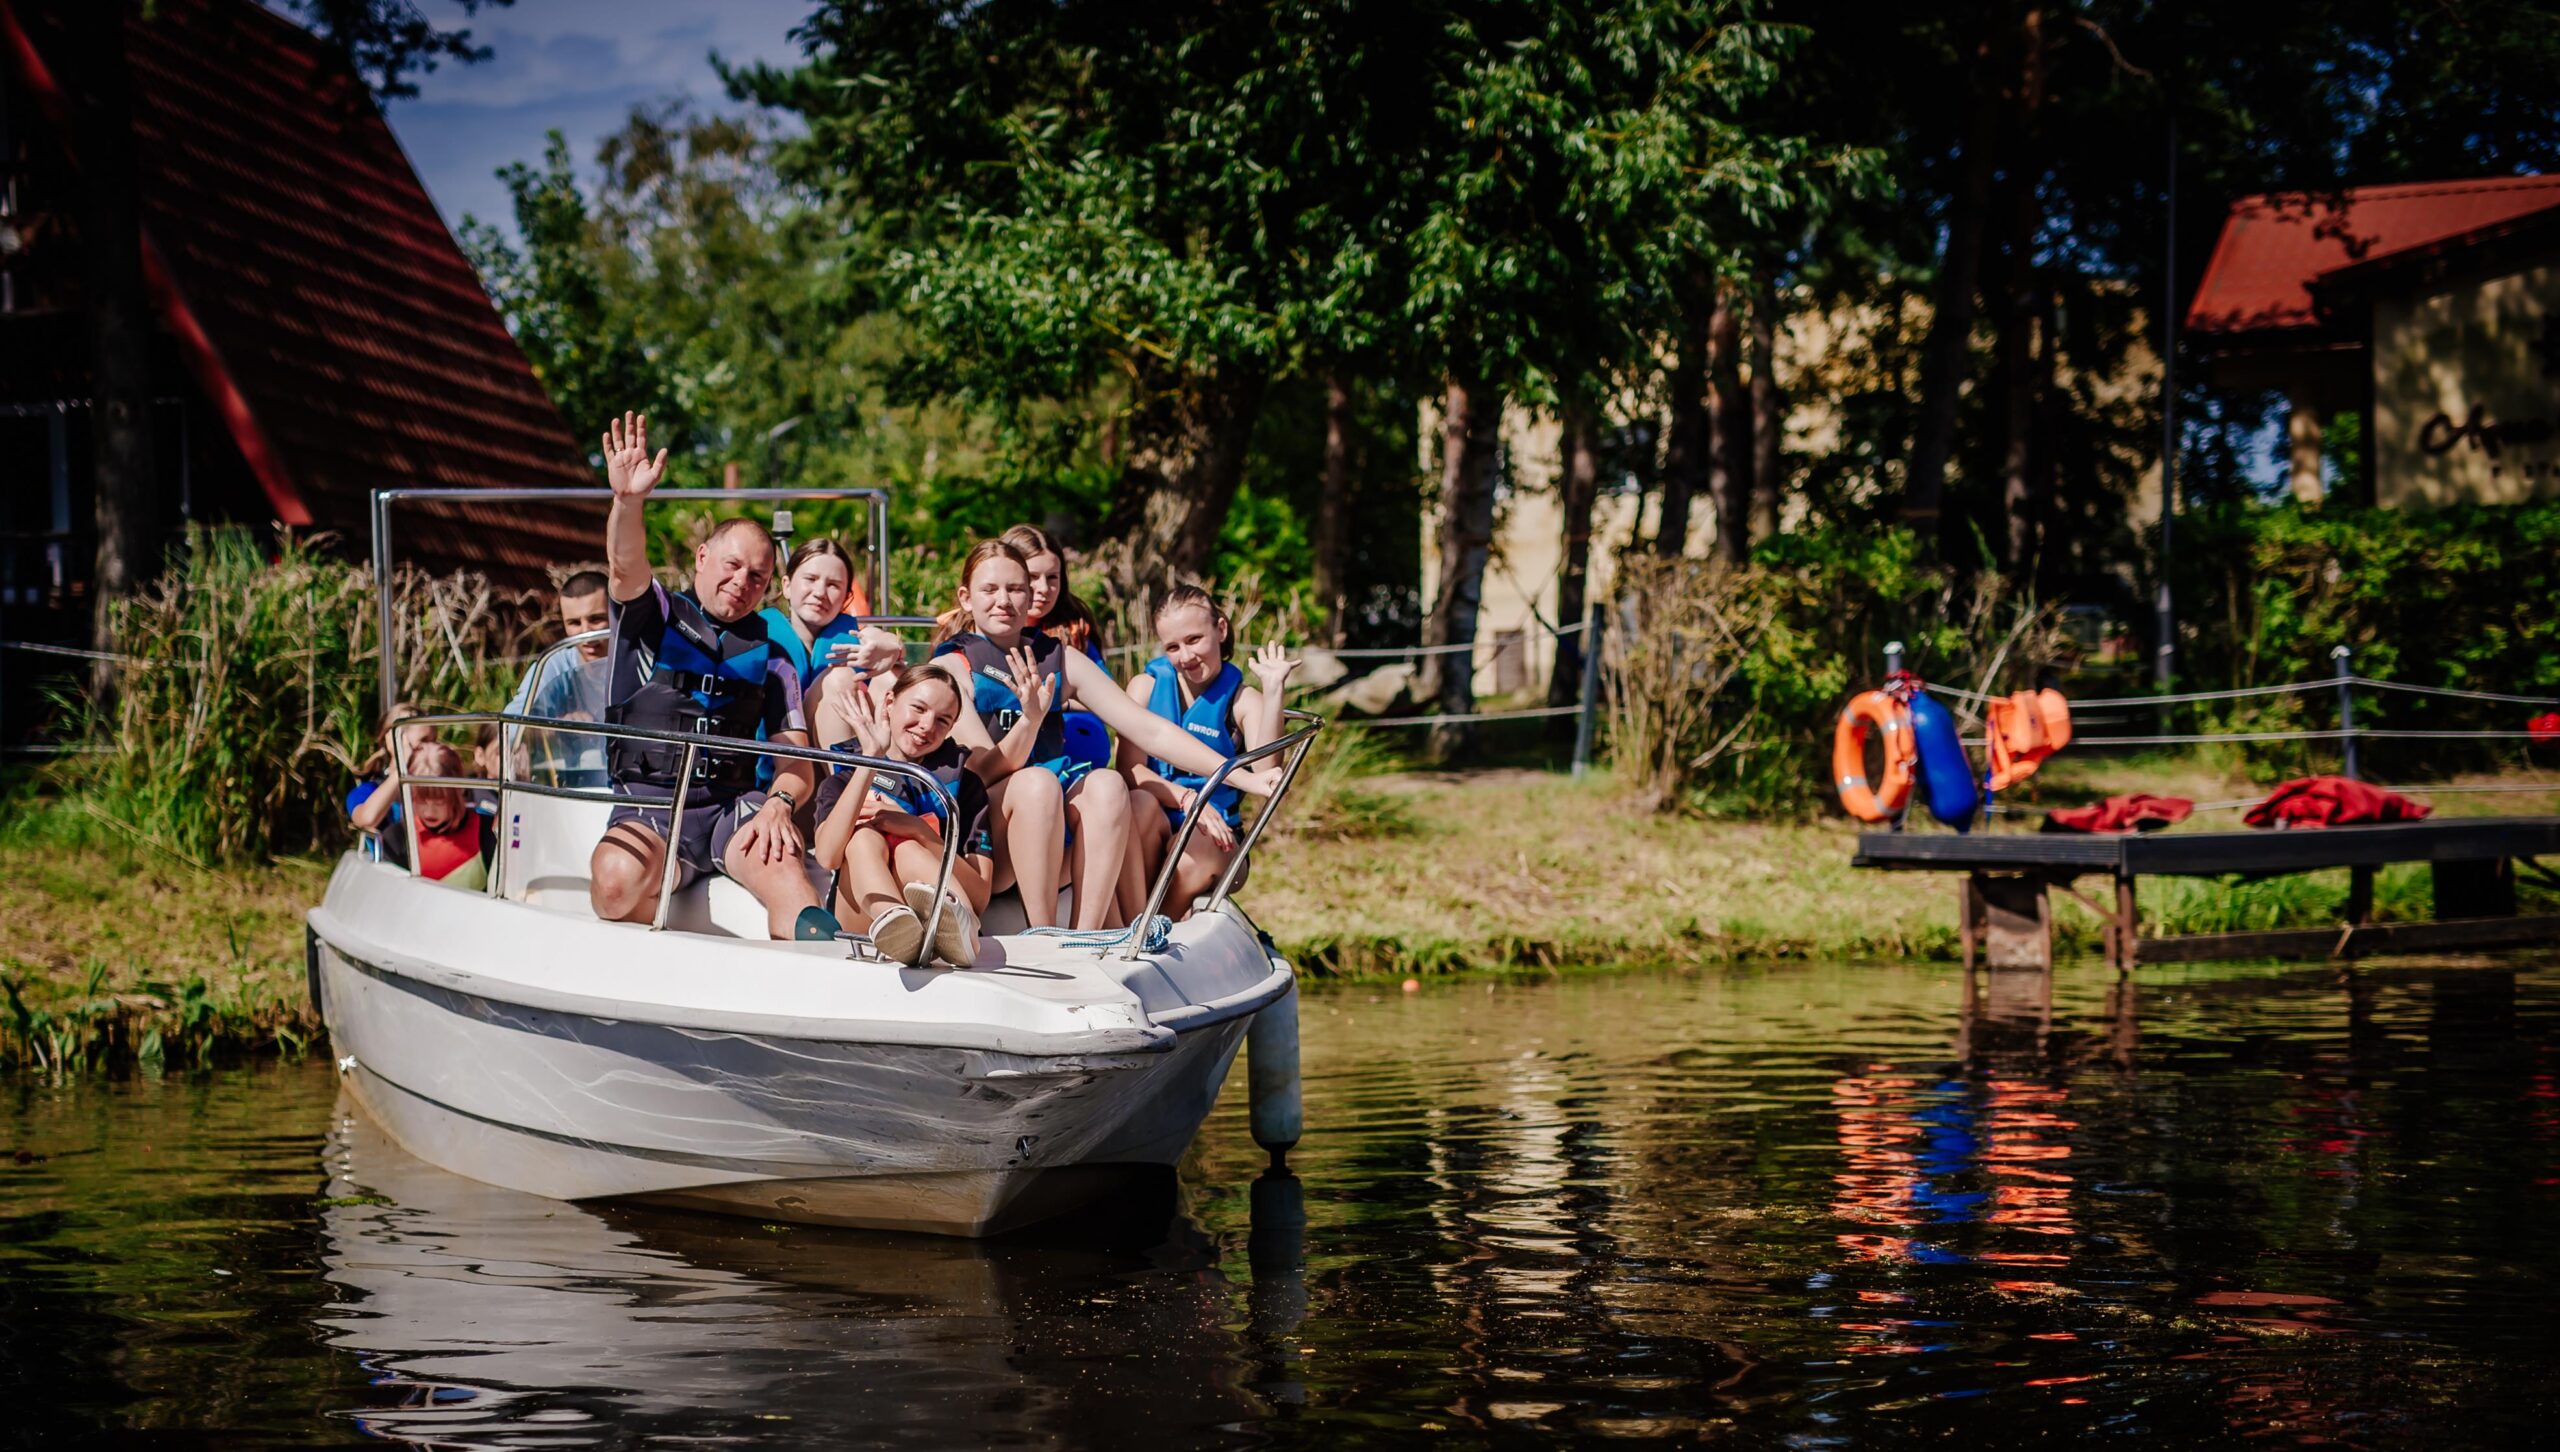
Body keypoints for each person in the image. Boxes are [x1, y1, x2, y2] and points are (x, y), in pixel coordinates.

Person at [927, 539, 1281, 930]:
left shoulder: (1059, 659)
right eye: (990, 590)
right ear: (966, 598)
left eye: (1015, 589)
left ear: (1031, 597)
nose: (1004, 601)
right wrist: (1029, 722)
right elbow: (980, 771)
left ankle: (1087, 935)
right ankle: (1043, 932)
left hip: (1054, 834)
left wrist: (1243, 777)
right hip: (988, 840)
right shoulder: (952, 669)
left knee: (1108, 784)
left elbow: (1149, 730)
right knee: (1038, 784)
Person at [586, 411, 838, 942]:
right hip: (650, 809)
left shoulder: (772, 655)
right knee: (613, 883)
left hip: (730, 812)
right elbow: (625, 566)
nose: (742, 581)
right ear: (702, 557)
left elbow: (797, 762)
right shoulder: (653, 617)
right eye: (732, 565)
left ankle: (809, 975)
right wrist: (627, 503)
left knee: (792, 882)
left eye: (758, 576)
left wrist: (779, 803)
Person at [809, 654, 1052, 966]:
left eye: (942, 721)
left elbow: (980, 895)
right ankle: (894, 922)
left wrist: (920, 831)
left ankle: (956, 929)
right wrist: (871, 758)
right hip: (863, 919)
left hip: (936, 899)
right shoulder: (845, 779)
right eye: (919, 708)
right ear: (889, 702)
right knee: (864, 838)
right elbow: (828, 856)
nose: (926, 726)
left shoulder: (965, 786)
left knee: (909, 849)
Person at [1121, 586, 1297, 917]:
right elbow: (1129, 772)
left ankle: (1160, 926)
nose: (1186, 656)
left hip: (1217, 839)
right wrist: (1188, 800)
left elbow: (1267, 774)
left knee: (1192, 847)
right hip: (1155, 825)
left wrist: (1274, 690)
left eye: (1194, 640)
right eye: (1173, 647)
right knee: (1138, 803)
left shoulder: (1243, 701)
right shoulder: (1145, 688)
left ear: (1221, 629)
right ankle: (1131, 922)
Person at [759, 537, 903, 789]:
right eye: (811, 579)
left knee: (890, 677)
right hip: (783, 774)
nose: (819, 593)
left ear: (846, 598)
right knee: (840, 677)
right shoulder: (758, 637)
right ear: (787, 585)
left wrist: (892, 646)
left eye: (833, 585)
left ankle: (886, 790)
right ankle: (856, 796)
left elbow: (877, 638)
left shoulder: (857, 641)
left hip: (830, 772)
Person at [999, 523, 1116, 776]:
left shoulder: (1073, 632)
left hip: (1081, 758)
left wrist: (1055, 702)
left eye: (1052, 577)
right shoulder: (979, 637)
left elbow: (1109, 698)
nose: (1044, 588)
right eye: (1032, 577)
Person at [505, 569, 614, 786]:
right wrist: (559, 726)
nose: (586, 633)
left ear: (616, 615)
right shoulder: (555, 664)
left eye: (596, 620)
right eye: (574, 623)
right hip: (576, 785)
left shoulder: (640, 661)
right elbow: (511, 724)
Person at [402, 741, 495, 890]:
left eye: (439, 800)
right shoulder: (400, 837)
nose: (429, 811)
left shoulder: (489, 831)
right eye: (421, 800)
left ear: (458, 791)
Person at [348, 701, 432, 861]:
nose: (431, 749)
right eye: (423, 742)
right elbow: (367, 819)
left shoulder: (436, 787)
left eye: (433, 741)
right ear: (393, 741)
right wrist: (402, 765)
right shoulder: (367, 789)